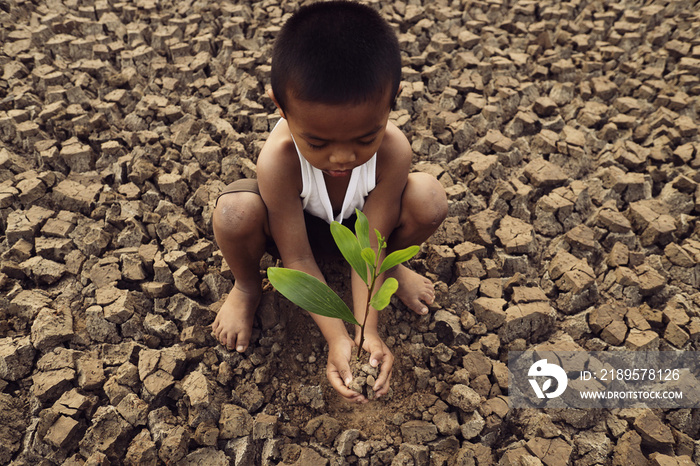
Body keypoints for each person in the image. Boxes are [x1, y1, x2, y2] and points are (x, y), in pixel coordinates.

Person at [212, 1, 447, 403]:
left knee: (428, 197)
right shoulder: (279, 159)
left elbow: (368, 243)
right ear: (280, 107)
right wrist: (339, 337)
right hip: (296, 235)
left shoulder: (393, 152)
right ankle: (247, 286)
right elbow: (298, 260)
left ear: (394, 100)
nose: (343, 158)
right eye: (318, 143)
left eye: (364, 139)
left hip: (366, 236)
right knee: (234, 213)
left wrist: (367, 332)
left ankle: (395, 264)